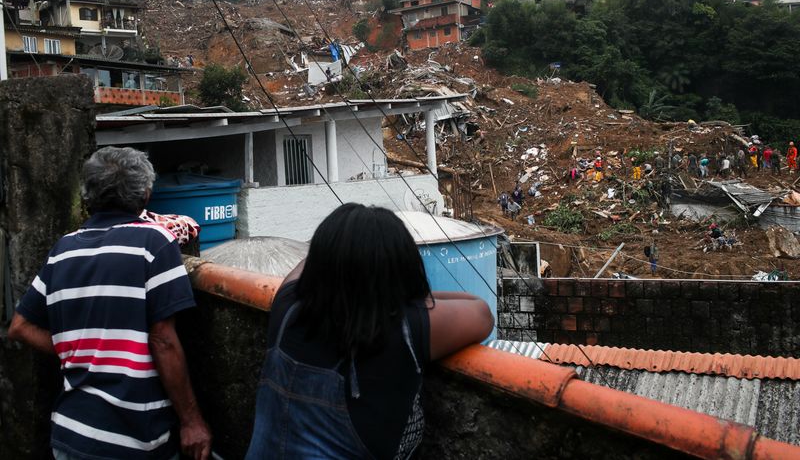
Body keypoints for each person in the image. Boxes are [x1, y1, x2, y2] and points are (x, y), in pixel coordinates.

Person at [244, 204, 493, 459]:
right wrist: (400, 297)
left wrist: (344, 233)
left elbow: (308, 267)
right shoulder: (402, 330)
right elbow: (481, 312)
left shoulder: (287, 308)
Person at [8, 147, 212, 460]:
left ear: (87, 196)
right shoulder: (154, 242)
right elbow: (164, 341)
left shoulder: (63, 248)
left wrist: (78, 349)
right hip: (133, 439)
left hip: (69, 433)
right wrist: (192, 422)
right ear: (145, 195)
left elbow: (20, 327)